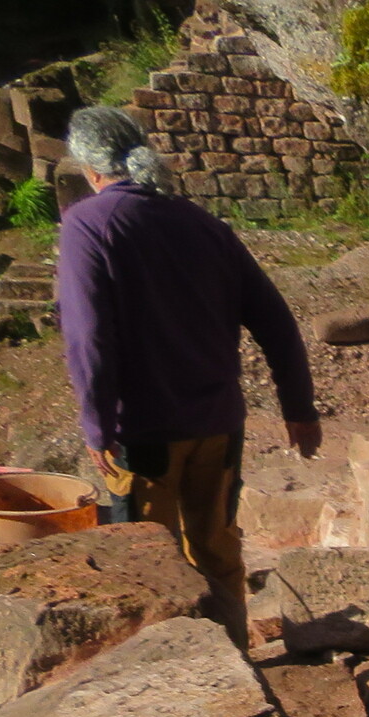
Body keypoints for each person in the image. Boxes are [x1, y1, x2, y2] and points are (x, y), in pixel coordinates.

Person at [54, 105, 321, 635]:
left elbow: (88, 337)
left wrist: (97, 425)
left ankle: (170, 665)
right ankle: (234, 650)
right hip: (218, 426)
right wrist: (299, 409)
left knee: (147, 562)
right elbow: (276, 321)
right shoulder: (203, 224)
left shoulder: (88, 224)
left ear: (90, 169)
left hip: (144, 433)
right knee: (217, 548)